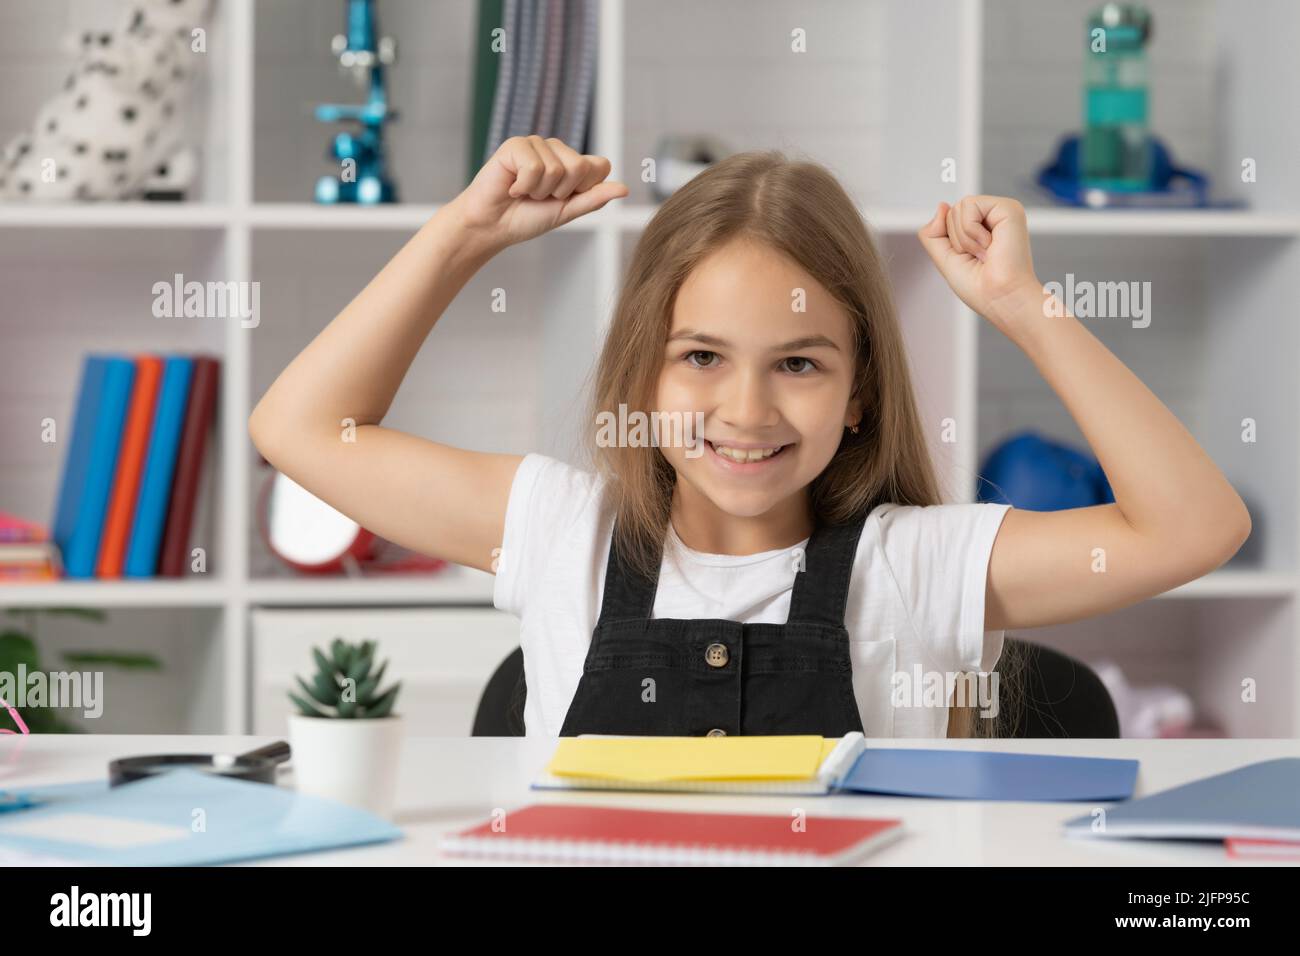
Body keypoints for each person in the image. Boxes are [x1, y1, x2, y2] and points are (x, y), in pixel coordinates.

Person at [249, 135, 1250, 737]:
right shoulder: (561, 529)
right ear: (645, 370)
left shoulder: (916, 563)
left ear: (860, 392)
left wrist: (1025, 306)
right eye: (701, 357)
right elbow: (298, 428)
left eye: (800, 363)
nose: (746, 410)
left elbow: (1193, 528)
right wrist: (463, 233)